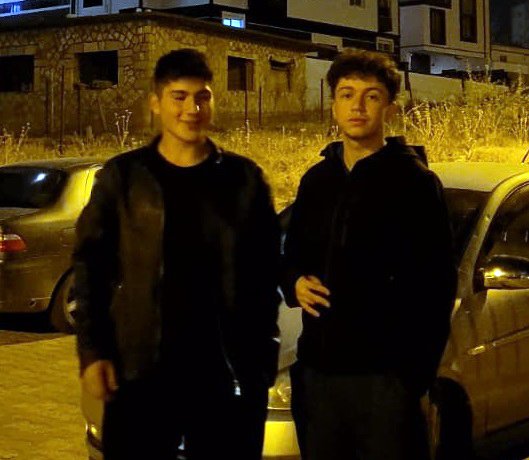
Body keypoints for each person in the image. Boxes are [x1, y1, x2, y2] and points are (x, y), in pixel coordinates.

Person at [73, 48, 281, 460]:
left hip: (224, 372)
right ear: (156, 102)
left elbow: (264, 275)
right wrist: (93, 352)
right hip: (141, 370)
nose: (192, 109)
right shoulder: (123, 178)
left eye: (202, 97)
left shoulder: (244, 180)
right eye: (179, 97)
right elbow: (90, 268)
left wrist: (261, 364)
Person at [282, 49, 457, 460]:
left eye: (371, 96)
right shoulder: (317, 180)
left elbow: (437, 285)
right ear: (333, 105)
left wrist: (412, 379)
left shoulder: (414, 183)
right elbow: (291, 253)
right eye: (347, 95)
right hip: (320, 374)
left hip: (384, 379)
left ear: (390, 108)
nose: (357, 106)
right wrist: (294, 282)